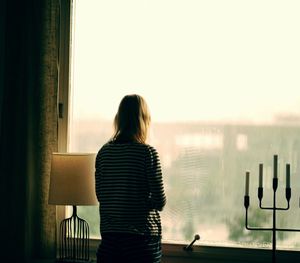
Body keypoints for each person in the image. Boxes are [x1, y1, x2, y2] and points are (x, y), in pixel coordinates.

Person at [95, 94, 166, 263]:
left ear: (118, 119)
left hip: (109, 243)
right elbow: (160, 201)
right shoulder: (147, 153)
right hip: (141, 243)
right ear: (144, 120)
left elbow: (101, 196)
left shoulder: (103, 153)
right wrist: (139, 202)